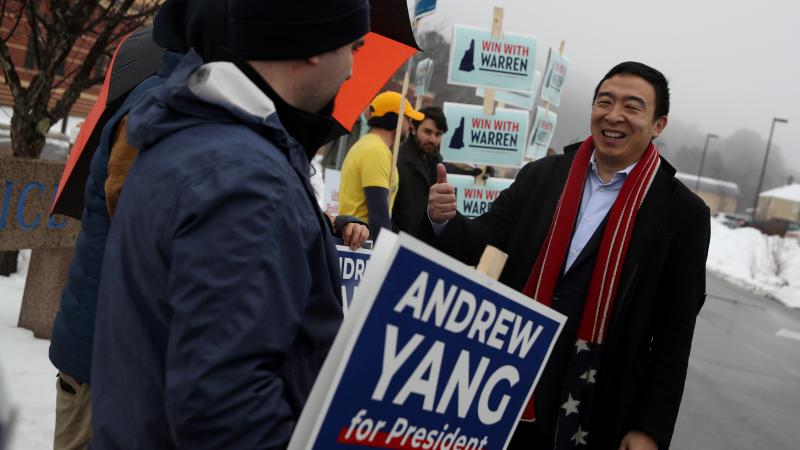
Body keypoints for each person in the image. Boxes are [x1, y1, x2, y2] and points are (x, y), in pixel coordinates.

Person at [90, 1, 369, 448]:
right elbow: (223, 411)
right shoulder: (244, 179)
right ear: (315, 45)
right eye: (354, 47)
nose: (353, 70)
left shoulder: (197, 136)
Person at [426, 61, 710, 450]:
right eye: (604, 102)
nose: (613, 116)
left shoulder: (683, 214)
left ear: (659, 124)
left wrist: (650, 429)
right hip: (503, 387)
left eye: (632, 107)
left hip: (598, 407)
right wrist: (447, 219)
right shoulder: (542, 176)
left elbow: (675, 336)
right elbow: (484, 241)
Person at [338, 91, 424, 238]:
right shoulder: (376, 151)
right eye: (407, 119)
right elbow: (379, 215)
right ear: (394, 118)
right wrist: (383, 254)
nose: (410, 126)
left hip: (357, 240)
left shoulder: (366, 145)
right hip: (363, 244)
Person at [391, 106, 447, 237]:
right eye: (427, 132)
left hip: (427, 245)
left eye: (438, 134)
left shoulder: (438, 162)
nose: (432, 139)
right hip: (399, 243)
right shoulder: (396, 161)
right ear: (413, 129)